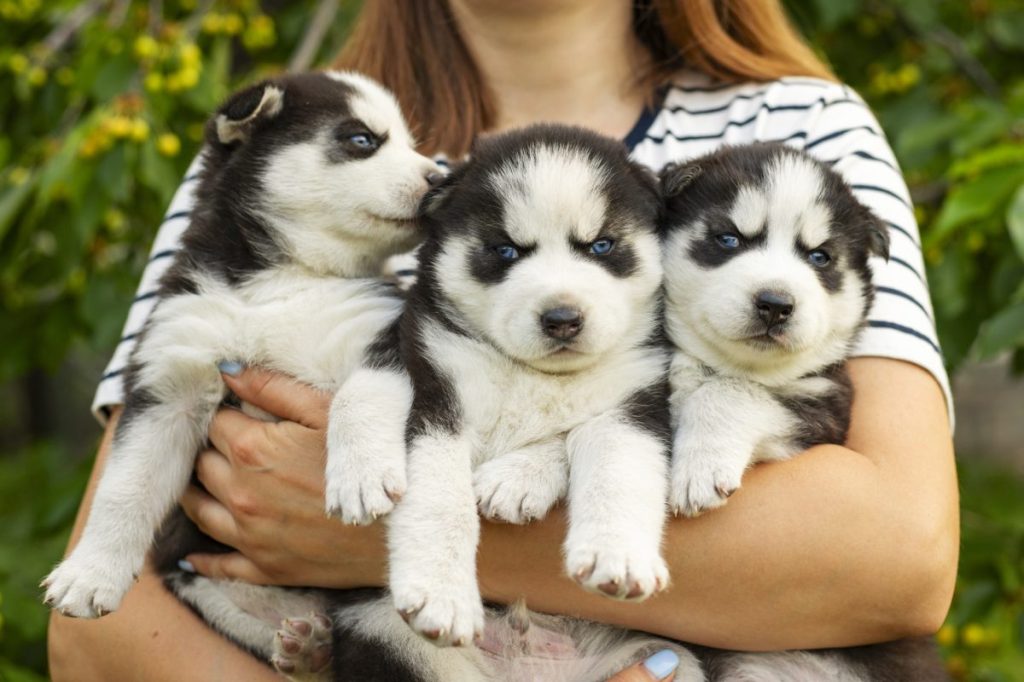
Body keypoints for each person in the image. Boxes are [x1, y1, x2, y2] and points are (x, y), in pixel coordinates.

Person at [48, 1, 958, 679]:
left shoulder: (803, 128)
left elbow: (902, 562)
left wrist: (378, 540)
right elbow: (98, 624)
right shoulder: (304, 138)